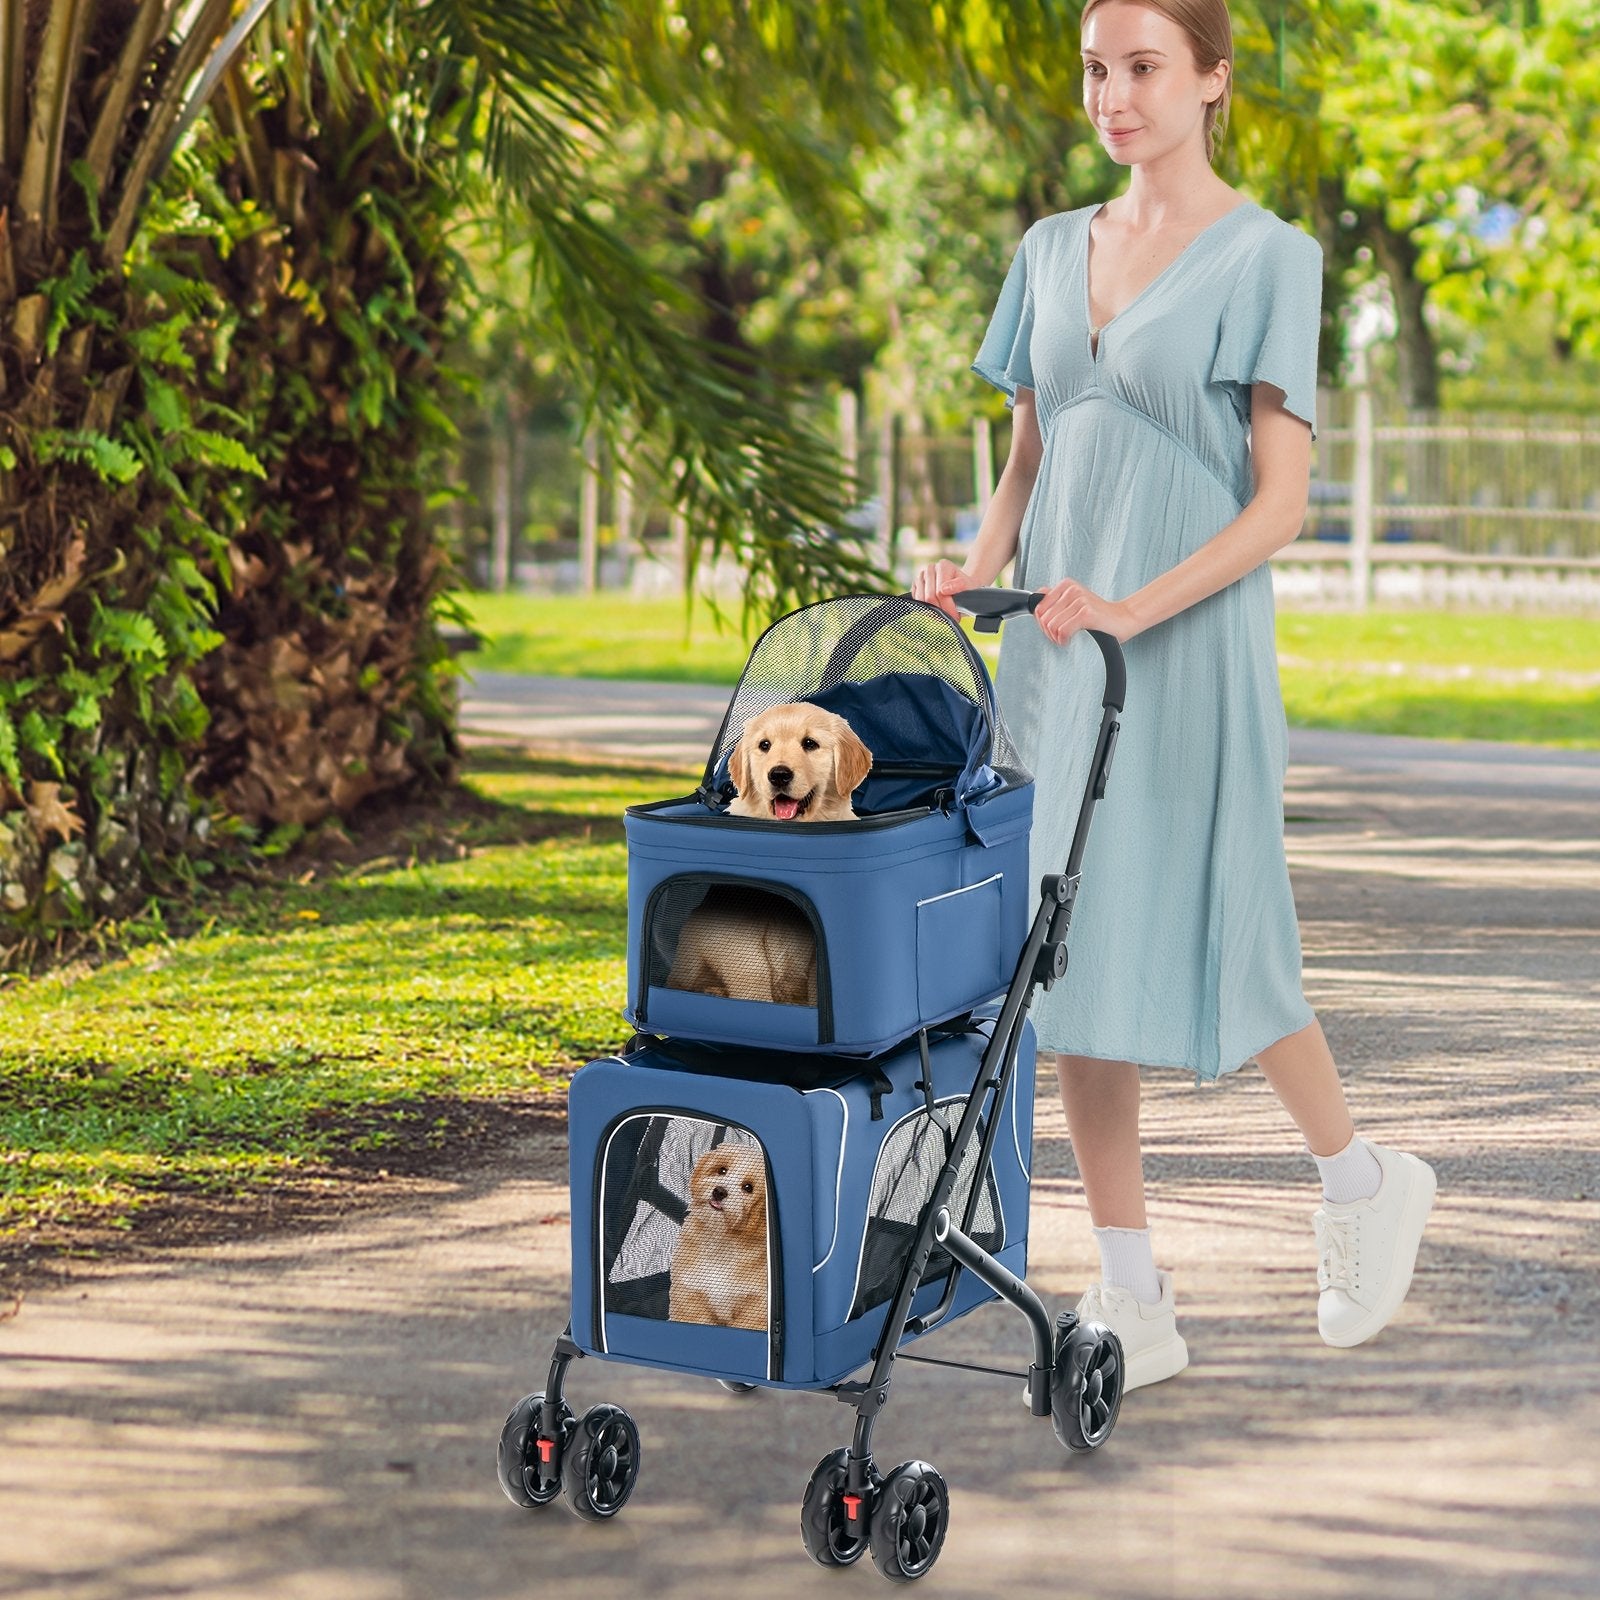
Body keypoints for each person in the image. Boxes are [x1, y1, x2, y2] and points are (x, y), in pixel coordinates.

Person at [912, 0, 1435, 1389]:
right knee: (1065, 954)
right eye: (1096, 69)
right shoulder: (1044, 252)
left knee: (1226, 922)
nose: (1113, 95)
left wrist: (1139, 605)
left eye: (1144, 67)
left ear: (1209, 80)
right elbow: (1026, 468)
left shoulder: (1273, 257)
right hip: (1057, 647)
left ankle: (1363, 1179)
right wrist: (973, 582)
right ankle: (1132, 1294)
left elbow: (1281, 507)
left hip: (1183, 640)